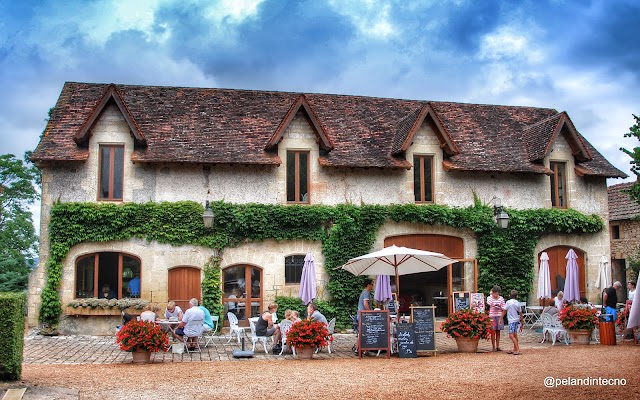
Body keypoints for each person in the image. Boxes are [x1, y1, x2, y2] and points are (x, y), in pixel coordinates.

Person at [503, 290, 523, 355]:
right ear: (517, 296)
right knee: (515, 335)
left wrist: (501, 318)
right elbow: (520, 312)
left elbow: (504, 310)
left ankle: (517, 349)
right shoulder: (517, 303)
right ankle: (515, 349)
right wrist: (522, 321)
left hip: (511, 321)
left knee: (511, 335)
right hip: (516, 320)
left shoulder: (508, 302)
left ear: (509, 295)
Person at [486, 285, 505, 352]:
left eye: (498, 294)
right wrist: (495, 304)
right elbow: (489, 303)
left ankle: (498, 346)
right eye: (495, 294)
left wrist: (500, 307)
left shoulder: (501, 298)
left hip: (499, 315)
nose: (497, 295)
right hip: (492, 315)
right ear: (493, 292)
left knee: (498, 331)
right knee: (493, 331)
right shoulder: (490, 297)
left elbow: (504, 306)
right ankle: (493, 346)